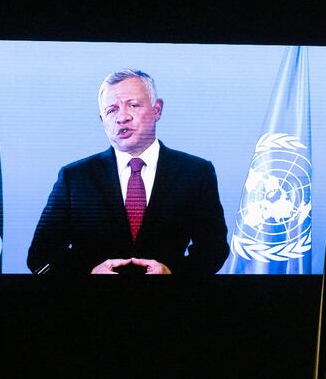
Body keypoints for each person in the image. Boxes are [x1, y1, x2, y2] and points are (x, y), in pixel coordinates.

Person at [26, 69, 229, 275]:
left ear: (157, 109)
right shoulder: (75, 177)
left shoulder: (196, 173)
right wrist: (89, 274)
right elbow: (40, 256)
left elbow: (214, 250)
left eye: (133, 105)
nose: (122, 117)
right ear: (102, 120)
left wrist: (171, 273)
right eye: (111, 110)